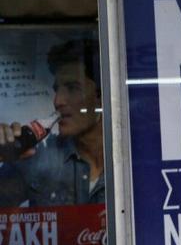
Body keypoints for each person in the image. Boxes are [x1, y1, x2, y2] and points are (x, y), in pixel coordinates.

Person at [0, 38, 104, 207]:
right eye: (57, 89)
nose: (58, 101)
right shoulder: (39, 157)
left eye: (72, 88)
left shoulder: (131, 159)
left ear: (101, 97)